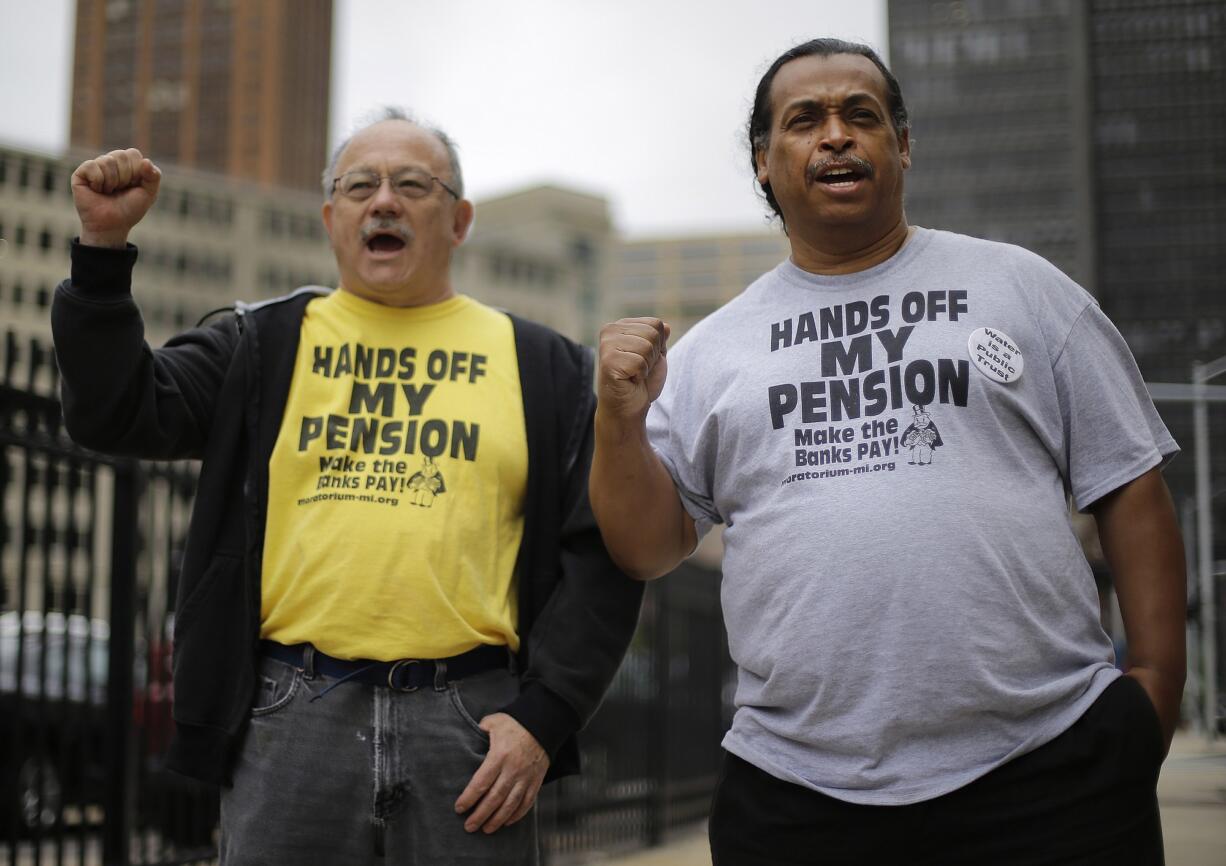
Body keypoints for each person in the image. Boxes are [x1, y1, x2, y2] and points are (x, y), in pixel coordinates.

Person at [590, 38, 1186, 865]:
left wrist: (1153, 691)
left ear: (901, 146)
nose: (836, 135)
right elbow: (648, 546)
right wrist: (618, 420)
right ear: (765, 162)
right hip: (799, 796)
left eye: (860, 115)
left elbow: (1129, 483)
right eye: (805, 121)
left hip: (1052, 767)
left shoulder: (1024, 288)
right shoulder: (709, 352)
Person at [53, 108, 643, 865]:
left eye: (411, 185)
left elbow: (605, 550)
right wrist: (103, 252)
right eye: (359, 185)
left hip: (471, 728)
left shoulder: (545, 369)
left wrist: (543, 717)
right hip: (290, 717)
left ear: (458, 219)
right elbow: (116, 413)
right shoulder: (260, 344)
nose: (383, 201)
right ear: (333, 217)